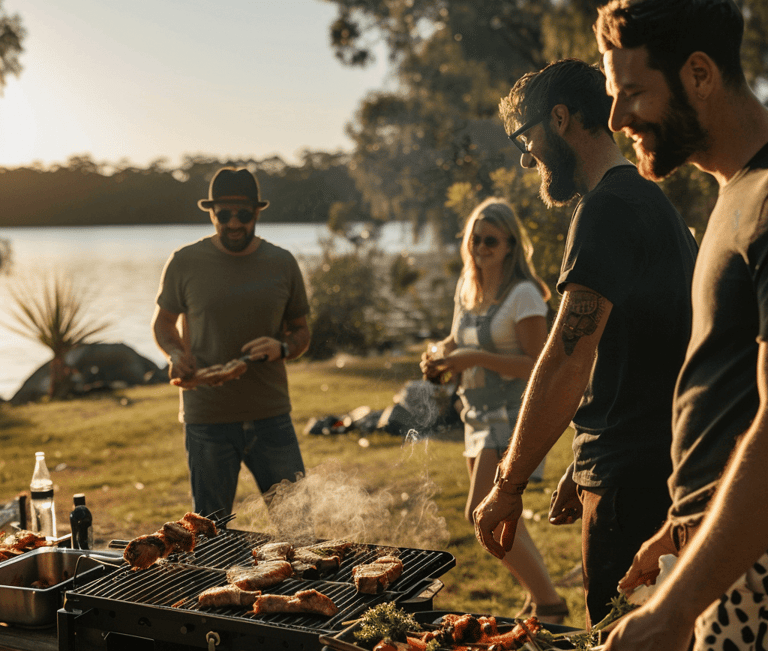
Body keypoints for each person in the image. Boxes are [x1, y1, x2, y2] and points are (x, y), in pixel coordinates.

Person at [472, 59, 698, 627]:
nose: (527, 158)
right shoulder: (650, 203)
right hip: (644, 468)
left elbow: (567, 359)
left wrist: (508, 483)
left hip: (633, 488)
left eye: (526, 139)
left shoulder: (605, 210)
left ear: (561, 118)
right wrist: (582, 461)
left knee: (620, 634)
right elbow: (647, 349)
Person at [593, 1, 768, 649]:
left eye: (632, 92)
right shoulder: (734, 193)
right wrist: (685, 518)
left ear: (699, 74)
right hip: (721, 556)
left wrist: (676, 609)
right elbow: (735, 402)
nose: (616, 119)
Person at [421, 197, 568, 623]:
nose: (480, 247)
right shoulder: (467, 288)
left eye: (490, 240)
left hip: (512, 417)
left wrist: (473, 359)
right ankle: (541, 598)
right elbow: (453, 341)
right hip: (475, 415)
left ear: (509, 245)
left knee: (477, 511)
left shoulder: (523, 294)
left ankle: (550, 605)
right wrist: (437, 355)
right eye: (474, 239)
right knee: (504, 517)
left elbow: (539, 365)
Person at [152, 167, 311, 518]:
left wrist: (282, 348)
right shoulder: (185, 262)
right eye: (224, 214)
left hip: (271, 416)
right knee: (210, 531)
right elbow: (163, 324)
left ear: (257, 212)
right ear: (212, 213)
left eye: (243, 213)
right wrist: (177, 352)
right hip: (207, 418)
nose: (234, 222)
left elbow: (301, 331)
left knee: (297, 526)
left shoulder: (282, 263)